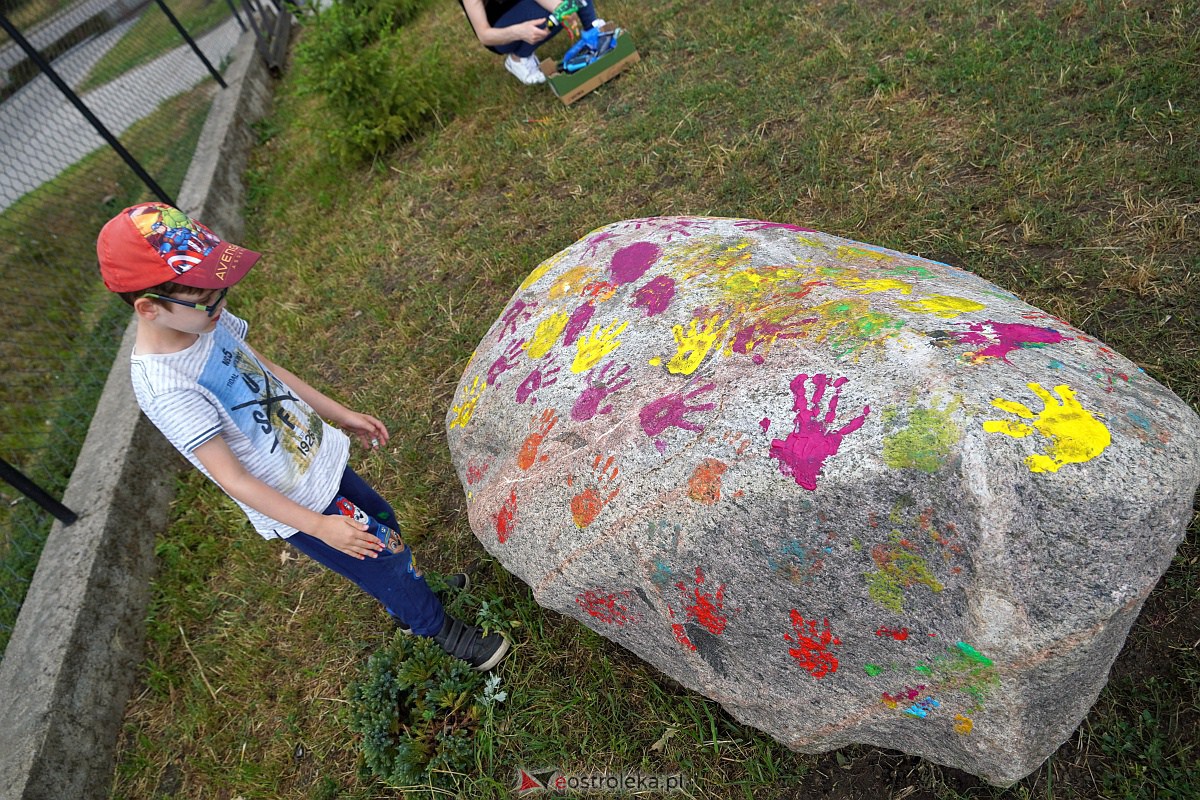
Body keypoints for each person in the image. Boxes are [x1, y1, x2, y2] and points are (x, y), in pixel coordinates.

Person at [97, 202, 509, 672]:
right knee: (375, 558)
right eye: (206, 297)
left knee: (383, 523)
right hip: (297, 499)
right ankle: (435, 628)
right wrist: (318, 527)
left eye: (222, 289)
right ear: (149, 308)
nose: (221, 303)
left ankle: (409, 590)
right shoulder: (166, 386)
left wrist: (341, 415)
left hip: (316, 456)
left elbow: (266, 370)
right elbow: (233, 479)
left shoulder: (204, 321)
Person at [460, 0, 607, 85]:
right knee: (548, 17)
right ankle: (518, 58)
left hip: (525, 3)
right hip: (499, 28)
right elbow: (484, 35)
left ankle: (595, 30)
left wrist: (561, 6)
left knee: (560, 10)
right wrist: (519, 32)